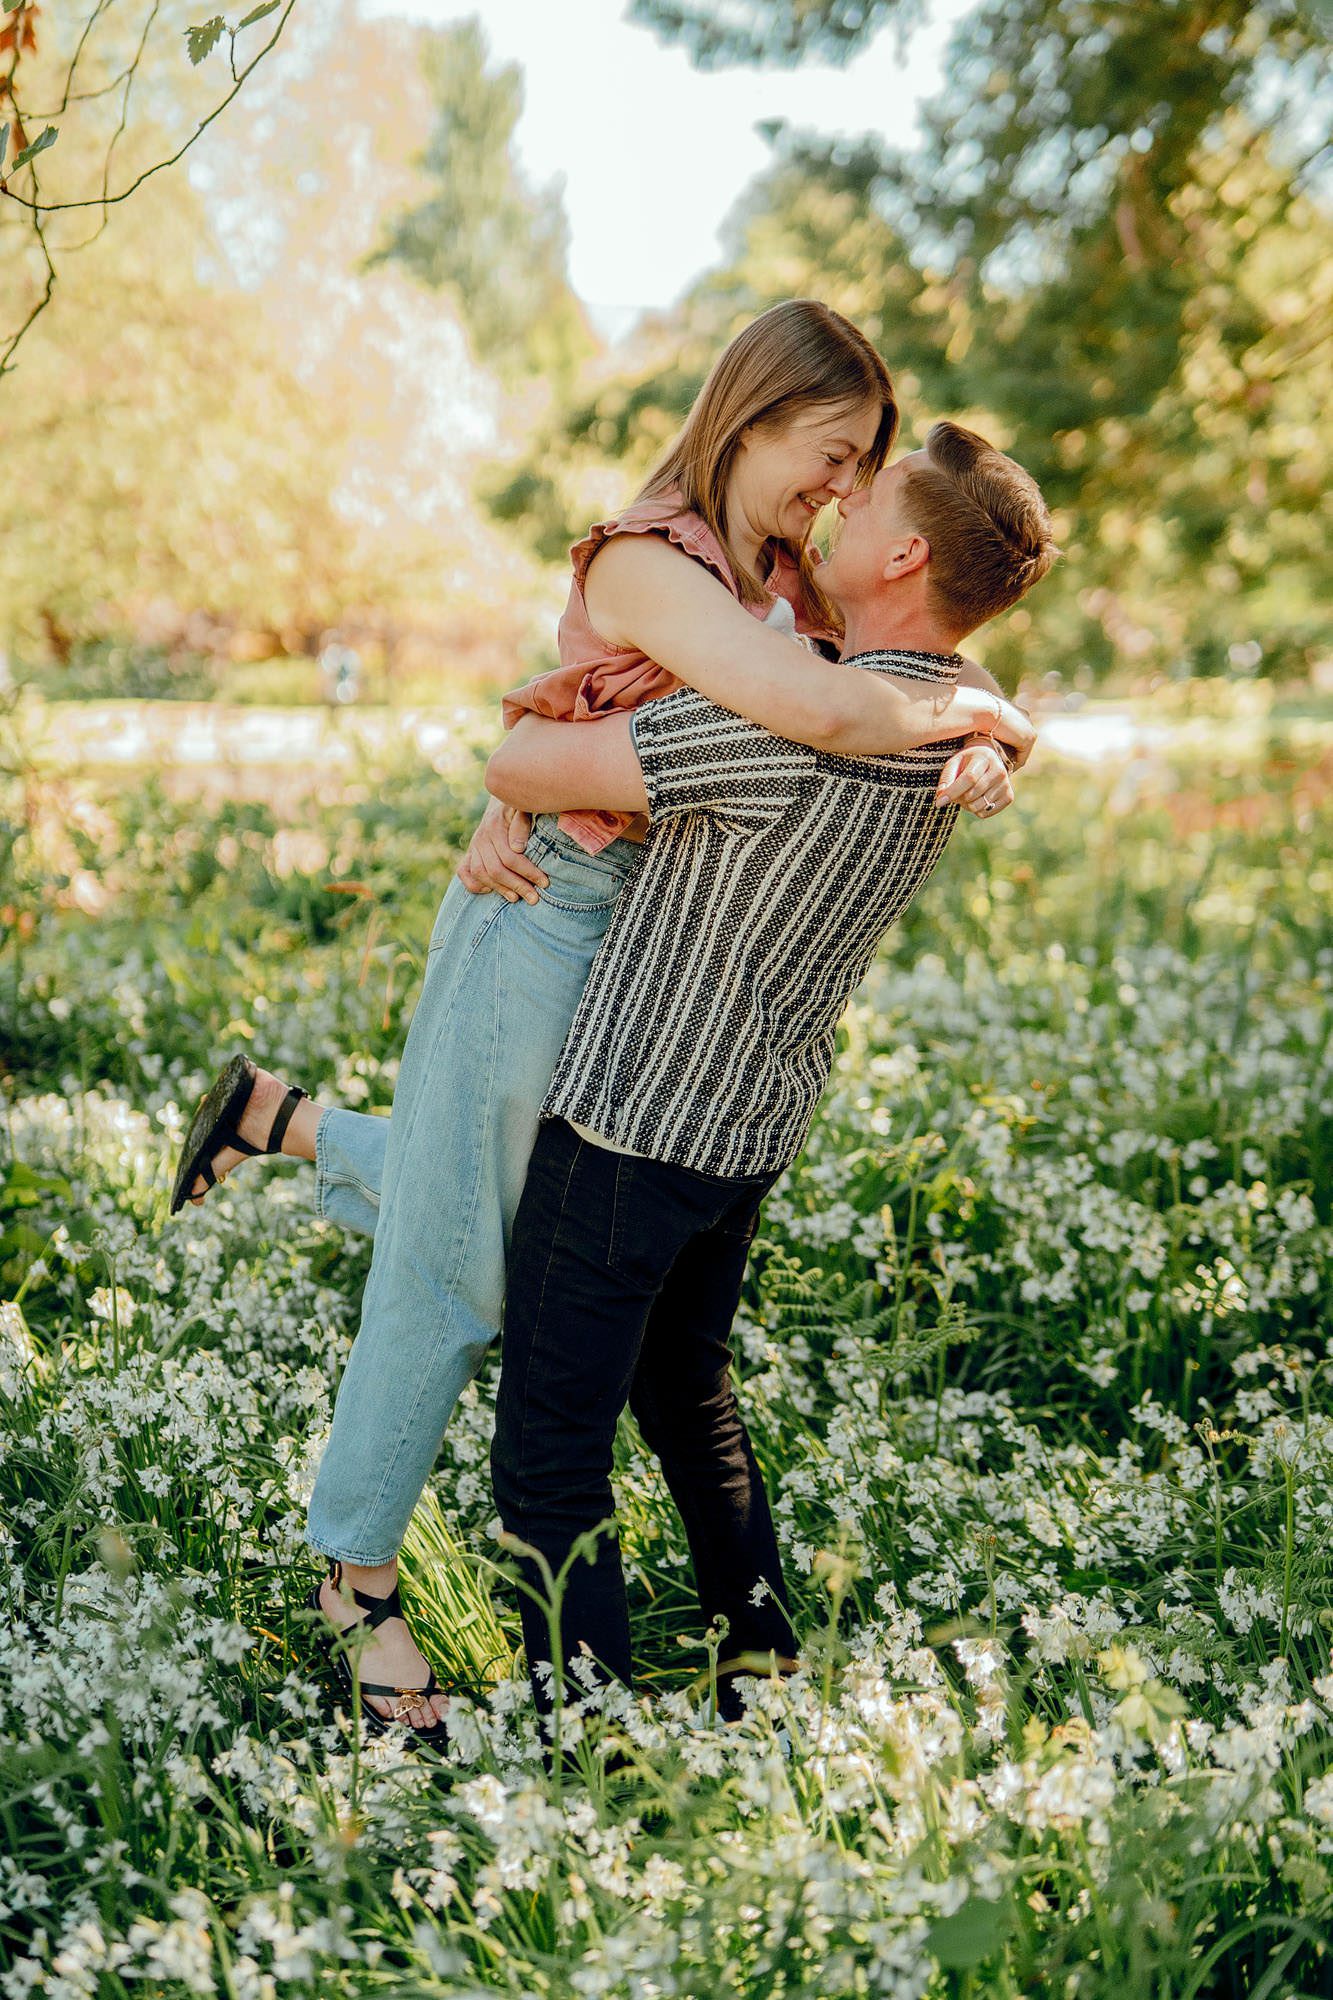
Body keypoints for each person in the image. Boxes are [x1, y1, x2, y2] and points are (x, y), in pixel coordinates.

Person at [168, 302, 1033, 1739]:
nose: (838, 483)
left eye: (862, 467)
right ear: (750, 418)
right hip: (552, 906)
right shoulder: (653, 560)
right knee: (463, 1271)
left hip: (645, 948)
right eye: (831, 452)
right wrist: (974, 721)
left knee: (498, 1223)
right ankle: (357, 1588)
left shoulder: (790, 583)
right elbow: (805, 718)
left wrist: (994, 714)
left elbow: (878, 663)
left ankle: (282, 1120)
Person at [483, 419, 1058, 1727]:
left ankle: (592, 1757)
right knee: (685, 1396)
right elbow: (980, 716)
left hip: (630, 1124)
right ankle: (762, 1676)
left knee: (549, 1460)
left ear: (905, 552)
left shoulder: (788, 723)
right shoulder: (944, 740)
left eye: (868, 502)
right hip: (743, 1136)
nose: (839, 508)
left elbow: (520, 766)